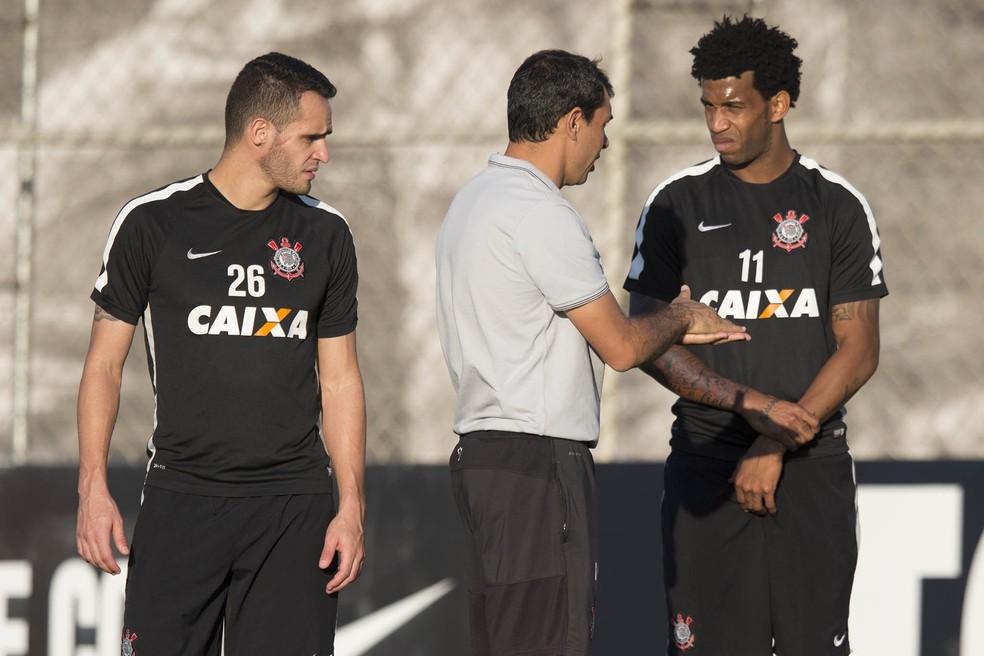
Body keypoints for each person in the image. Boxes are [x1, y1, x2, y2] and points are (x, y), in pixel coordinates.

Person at [435, 49, 750, 656]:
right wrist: (681, 316)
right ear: (572, 120)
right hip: (537, 463)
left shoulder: (471, 200)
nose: (604, 144)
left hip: (482, 457)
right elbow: (622, 346)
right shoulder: (539, 212)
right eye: (603, 126)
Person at [75, 52, 366, 656]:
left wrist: (352, 503)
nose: (324, 154)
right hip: (182, 500)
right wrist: (93, 487)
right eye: (312, 137)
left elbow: (339, 380)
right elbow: (103, 365)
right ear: (260, 134)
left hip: (294, 508)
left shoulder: (327, 234)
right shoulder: (151, 224)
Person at [624, 15, 888, 655]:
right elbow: (649, 340)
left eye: (734, 106)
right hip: (706, 461)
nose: (718, 122)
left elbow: (860, 347)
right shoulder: (674, 203)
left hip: (809, 464)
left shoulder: (836, 205)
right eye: (708, 106)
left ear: (778, 103)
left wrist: (774, 443)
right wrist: (749, 415)